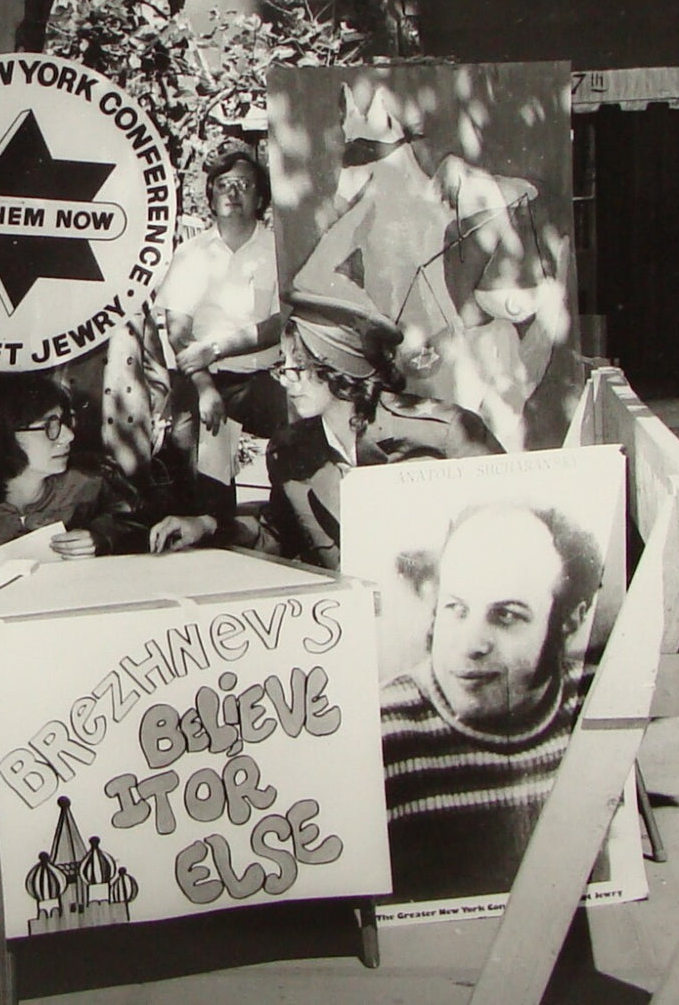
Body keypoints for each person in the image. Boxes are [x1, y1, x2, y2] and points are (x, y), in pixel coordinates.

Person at [151, 292, 502, 567]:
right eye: (283, 367)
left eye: (300, 368)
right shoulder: (290, 452)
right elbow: (276, 534)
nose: (288, 382)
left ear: (338, 368)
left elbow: (506, 532)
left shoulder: (447, 433)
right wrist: (207, 526)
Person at [378, 502, 603, 903]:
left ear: (570, 619)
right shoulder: (382, 729)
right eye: (456, 609)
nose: (471, 645)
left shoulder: (598, 699)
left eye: (506, 616)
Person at [157, 145, 289, 517]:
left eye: (244, 185)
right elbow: (178, 330)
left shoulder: (277, 250)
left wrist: (214, 348)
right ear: (212, 196)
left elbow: (279, 324)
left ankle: (283, 530)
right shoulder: (191, 253)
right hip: (200, 380)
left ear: (260, 198)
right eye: (224, 185)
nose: (233, 193)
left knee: (301, 433)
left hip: (258, 381)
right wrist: (205, 387)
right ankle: (211, 535)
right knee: (197, 481)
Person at [0, 374, 147, 563]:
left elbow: (138, 527)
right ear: (1, 434)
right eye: (49, 426)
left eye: (64, 422)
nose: (69, 436)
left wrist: (102, 537)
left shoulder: (90, 484)